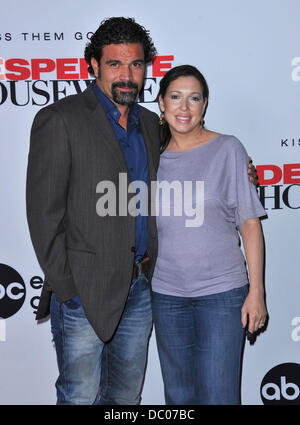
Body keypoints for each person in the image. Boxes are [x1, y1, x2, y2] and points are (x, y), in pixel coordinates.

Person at [26, 17, 160, 405]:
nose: (127, 75)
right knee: (79, 397)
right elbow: (43, 213)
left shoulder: (151, 124)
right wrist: (68, 288)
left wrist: (241, 168)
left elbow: (191, 155)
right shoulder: (60, 119)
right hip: (83, 292)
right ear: (93, 65)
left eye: (136, 64)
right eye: (115, 64)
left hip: (139, 288)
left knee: (125, 398)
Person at [151, 65, 267, 405]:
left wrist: (257, 292)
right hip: (166, 295)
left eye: (194, 98)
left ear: (204, 105)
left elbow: (250, 223)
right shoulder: (148, 157)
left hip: (222, 294)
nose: (184, 107)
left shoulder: (228, 149)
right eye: (175, 97)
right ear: (161, 103)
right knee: (179, 398)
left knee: (219, 396)